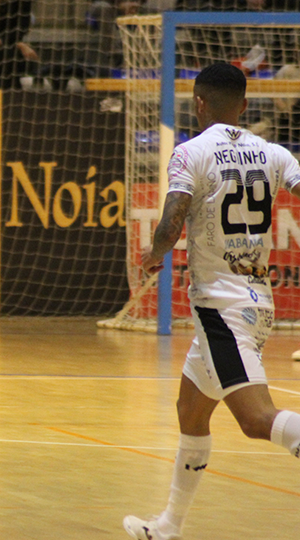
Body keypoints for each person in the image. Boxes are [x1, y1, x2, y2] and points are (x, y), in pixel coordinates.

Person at [125, 63, 300, 540]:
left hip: (220, 309)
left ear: (197, 103)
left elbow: (170, 223)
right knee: (192, 412)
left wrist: (153, 255)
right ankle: (167, 526)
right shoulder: (274, 152)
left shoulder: (190, 153)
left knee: (256, 420)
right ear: (244, 106)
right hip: (255, 302)